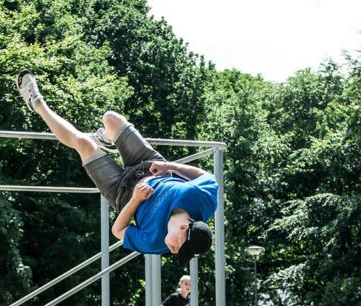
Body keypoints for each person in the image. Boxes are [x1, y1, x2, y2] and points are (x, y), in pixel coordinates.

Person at [16, 70, 217, 264]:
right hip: (148, 165)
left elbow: (118, 231)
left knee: (84, 144)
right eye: (179, 247)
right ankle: (107, 139)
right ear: (184, 226)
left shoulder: (155, 243)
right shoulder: (202, 199)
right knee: (110, 118)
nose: (173, 252)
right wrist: (167, 166)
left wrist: (136, 201)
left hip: (121, 194)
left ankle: (36, 102)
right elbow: (206, 176)